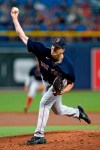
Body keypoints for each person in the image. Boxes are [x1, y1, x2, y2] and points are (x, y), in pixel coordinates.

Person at [11, 7, 91, 145]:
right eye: (53, 46)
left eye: (57, 48)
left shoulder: (67, 65)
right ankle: (79, 113)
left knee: (44, 103)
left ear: (63, 50)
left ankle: (39, 135)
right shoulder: (42, 50)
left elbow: (71, 82)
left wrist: (62, 90)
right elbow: (22, 36)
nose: (54, 49)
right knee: (58, 110)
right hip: (46, 80)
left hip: (59, 83)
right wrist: (14, 18)